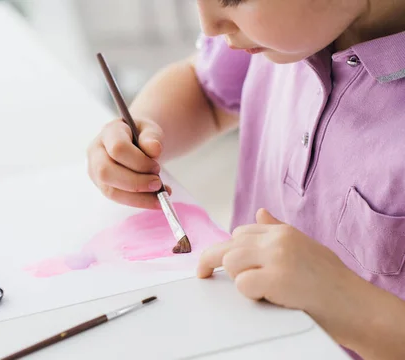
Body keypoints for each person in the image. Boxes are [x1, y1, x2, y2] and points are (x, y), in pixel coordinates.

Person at [86, 0, 405, 358]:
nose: (208, 27)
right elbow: (206, 91)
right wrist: (145, 129)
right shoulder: (285, 34)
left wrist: (349, 306)